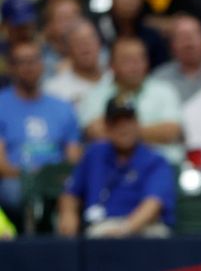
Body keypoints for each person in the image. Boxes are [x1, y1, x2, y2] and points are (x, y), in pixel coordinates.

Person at [57, 98, 175, 238]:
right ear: (107, 127)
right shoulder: (95, 153)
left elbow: (153, 205)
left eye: (128, 122)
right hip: (101, 226)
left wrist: (124, 230)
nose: (124, 129)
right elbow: (71, 192)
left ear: (137, 124)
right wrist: (68, 214)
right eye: (117, 124)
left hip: (143, 228)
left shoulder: (154, 159)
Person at [0, 40, 81, 229]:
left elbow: (73, 157)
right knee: (13, 193)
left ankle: (66, 249)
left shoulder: (62, 107)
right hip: (17, 178)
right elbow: (2, 166)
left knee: (74, 189)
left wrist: (51, 175)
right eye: (22, 62)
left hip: (56, 178)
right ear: (11, 67)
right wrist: (31, 174)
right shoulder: (1, 105)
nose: (29, 67)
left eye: (34, 60)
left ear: (42, 64)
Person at [79, 36, 183, 164]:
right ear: (112, 64)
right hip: (112, 168)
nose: (135, 65)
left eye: (140, 59)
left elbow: (170, 132)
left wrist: (123, 133)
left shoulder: (165, 91)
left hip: (162, 165)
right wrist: (152, 132)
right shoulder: (95, 95)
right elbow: (97, 132)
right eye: (127, 60)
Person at [151, 14, 201, 103]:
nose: (188, 42)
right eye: (181, 37)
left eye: (193, 35)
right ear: (172, 45)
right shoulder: (159, 79)